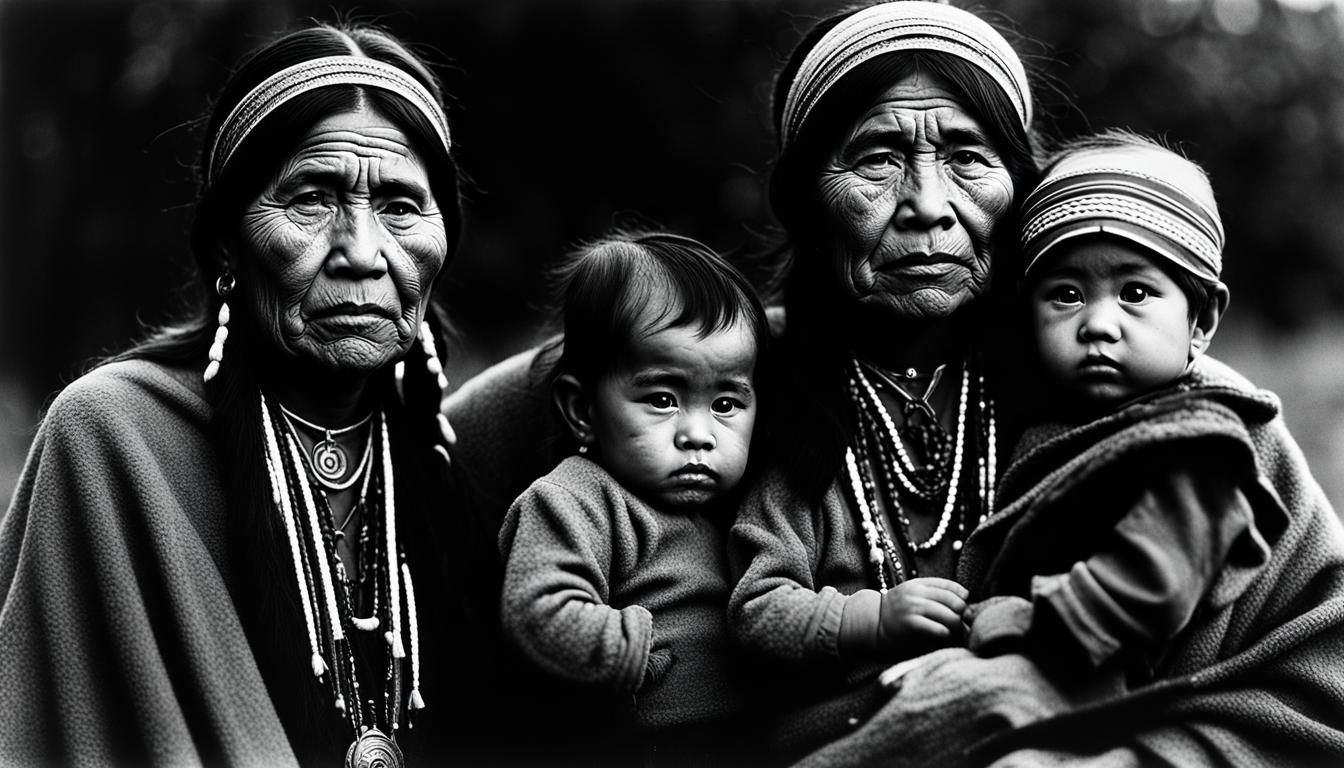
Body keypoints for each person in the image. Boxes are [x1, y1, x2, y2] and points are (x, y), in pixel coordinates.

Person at [0, 21, 482, 766]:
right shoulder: (117, 442)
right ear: (227, 239)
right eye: (313, 199)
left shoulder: (459, 453)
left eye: (399, 205)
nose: (362, 251)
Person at [792, 129, 1344, 767]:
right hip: (1073, 671)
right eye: (1067, 295)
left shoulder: (1196, 438)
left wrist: (1015, 625)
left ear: (1203, 322)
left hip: (1124, 677)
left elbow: (1150, 583)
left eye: (1135, 293)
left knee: (949, 717)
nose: (1099, 324)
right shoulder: (1061, 417)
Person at [722, 1, 1037, 761]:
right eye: (876, 159)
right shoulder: (722, 372)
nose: (927, 206)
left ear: (1021, 189)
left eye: (968, 157)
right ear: (806, 203)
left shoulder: (1109, 378)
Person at [498, 231, 768, 766]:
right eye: (663, 399)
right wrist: (632, 649)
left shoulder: (733, 510)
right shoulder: (574, 498)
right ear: (582, 410)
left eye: (726, 402)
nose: (699, 433)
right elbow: (538, 611)